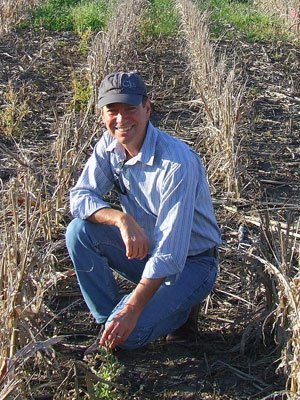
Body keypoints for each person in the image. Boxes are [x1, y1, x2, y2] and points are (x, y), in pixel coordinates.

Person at [66, 71, 221, 351]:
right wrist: (120, 218)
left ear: (147, 108)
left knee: (130, 339)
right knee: (79, 231)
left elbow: (170, 255)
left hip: (192, 263)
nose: (121, 120)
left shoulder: (177, 163)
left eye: (130, 109)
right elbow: (79, 198)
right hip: (148, 252)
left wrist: (133, 309)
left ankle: (181, 314)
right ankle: (109, 321)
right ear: (102, 114)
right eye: (112, 110)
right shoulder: (109, 145)